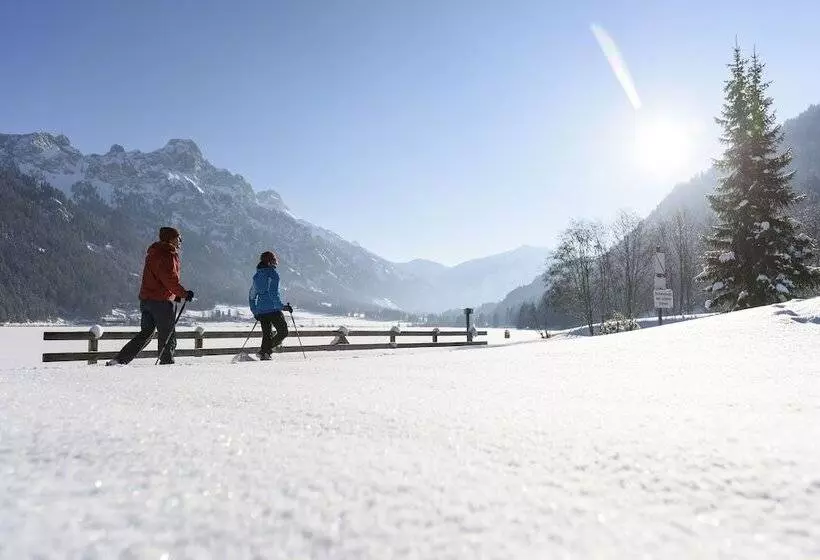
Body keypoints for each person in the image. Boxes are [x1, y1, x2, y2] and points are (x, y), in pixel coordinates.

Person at [107, 227, 194, 365]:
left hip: (147, 300)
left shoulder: (153, 253)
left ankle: (119, 360)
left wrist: (176, 296)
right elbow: (169, 280)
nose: (180, 241)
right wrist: (184, 293)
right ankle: (167, 364)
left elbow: (158, 281)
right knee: (167, 335)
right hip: (161, 303)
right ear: (170, 239)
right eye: (178, 238)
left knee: (146, 333)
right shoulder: (167, 255)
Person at [249, 250, 292, 360]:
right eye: (273, 260)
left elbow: (252, 296)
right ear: (269, 262)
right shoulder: (273, 275)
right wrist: (281, 306)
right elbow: (273, 293)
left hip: (261, 311)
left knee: (267, 334)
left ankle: (264, 354)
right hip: (273, 310)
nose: (275, 263)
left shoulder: (257, 276)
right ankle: (264, 351)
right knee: (283, 332)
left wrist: (255, 311)